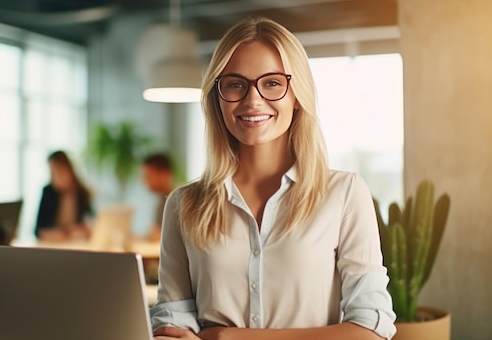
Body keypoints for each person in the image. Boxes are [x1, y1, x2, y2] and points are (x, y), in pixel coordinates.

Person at [150, 17, 397, 340]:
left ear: (297, 96)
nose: (253, 100)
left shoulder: (345, 193)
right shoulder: (184, 204)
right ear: (217, 97)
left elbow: (371, 329)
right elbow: (171, 320)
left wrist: (230, 337)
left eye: (272, 83)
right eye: (235, 84)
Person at [35, 150, 94, 242]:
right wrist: (60, 233)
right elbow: (38, 230)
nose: (55, 177)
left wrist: (83, 229)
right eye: (52, 173)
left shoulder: (81, 193)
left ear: (68, 169)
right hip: (53, 245)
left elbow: (90, 220)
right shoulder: (48, 192)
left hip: (75, 244)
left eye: (58, 171)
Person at [141, 153, 176, 241]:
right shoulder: (162, 201)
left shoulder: (180, 200)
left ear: (163, 174)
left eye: (148, 176)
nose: (144, 181)